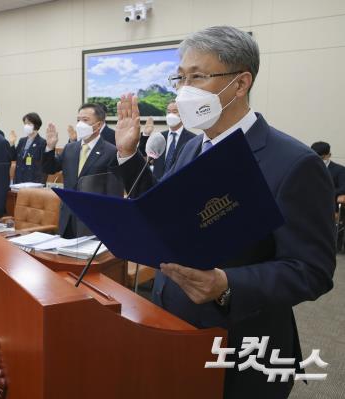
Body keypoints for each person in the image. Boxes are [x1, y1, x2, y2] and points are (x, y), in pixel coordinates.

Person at [114, 26, 335, 399]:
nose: (184, 89)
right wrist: (127, 155)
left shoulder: (294, 163)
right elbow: (164, 212)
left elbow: (312, 271)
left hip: (241, 343)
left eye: (198, 76)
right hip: (173, 322)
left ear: (240, 83)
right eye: (180, 78)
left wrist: (227, 285)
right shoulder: (191, 147)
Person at [43, 103, 120, 238]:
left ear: (99, 125)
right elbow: (50, 168)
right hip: (67, 218)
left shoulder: (111, 151)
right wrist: (50, 148)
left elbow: (114, 194)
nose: (80, 124)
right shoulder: (70, 148)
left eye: (85, 120)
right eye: (78, 120)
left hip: (94, 222)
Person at [138, 101, 196, 180]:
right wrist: (146, 135)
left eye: (175, 112)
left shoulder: (193, 139)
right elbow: (145, 160)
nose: (171, 115)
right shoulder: (158, 137)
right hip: (157, 184)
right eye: (168, 112)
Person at [8, 112, 47, 184]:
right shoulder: (22, 141)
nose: (26, 126)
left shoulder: (42, 142)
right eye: (25, 124)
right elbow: (13, 157)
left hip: (33, 181)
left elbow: (44, 165)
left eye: (29, 123)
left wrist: (41, 183)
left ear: (36, 125)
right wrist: (12, 144)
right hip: (19, 180)